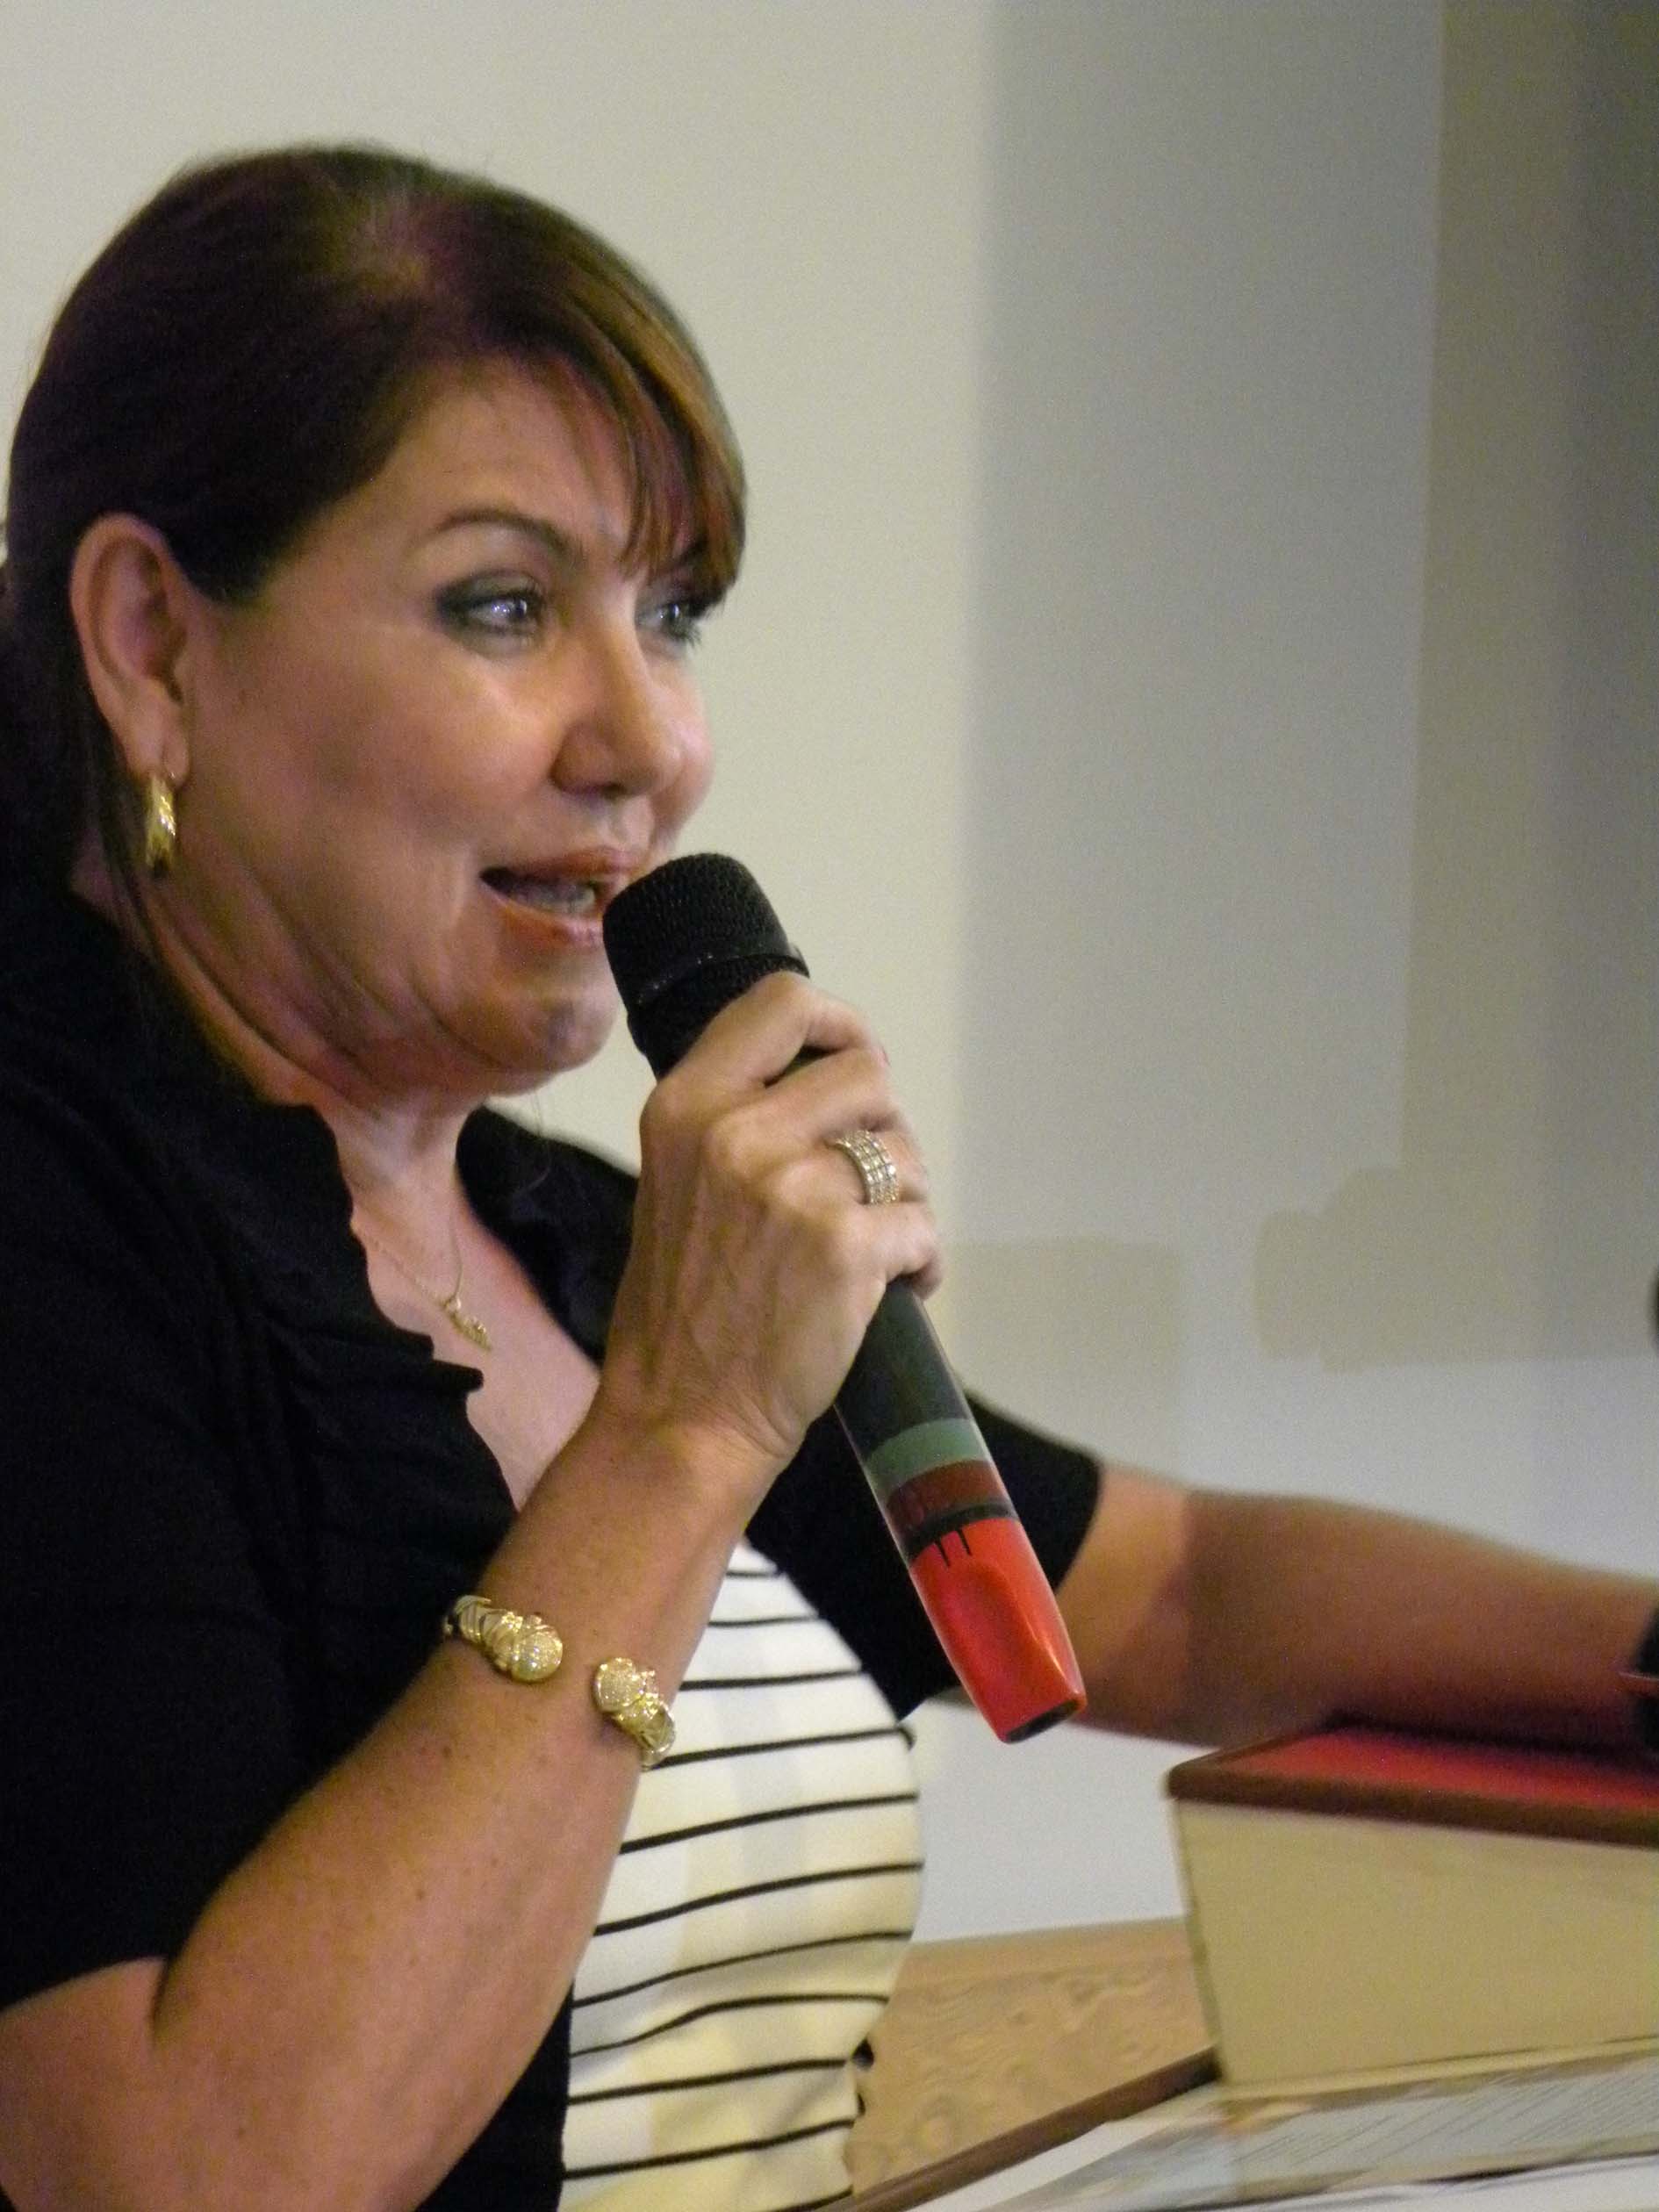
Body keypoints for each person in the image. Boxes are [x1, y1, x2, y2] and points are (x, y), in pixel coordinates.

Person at [0, 144, 1651, 2212]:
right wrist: (683, 1434)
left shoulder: (564, 1243)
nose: (652, 742)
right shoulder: (62, 1247)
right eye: (506, 607)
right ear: (154, 643)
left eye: (669, 616)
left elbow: (1174, 1590)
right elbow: (178, 2173)